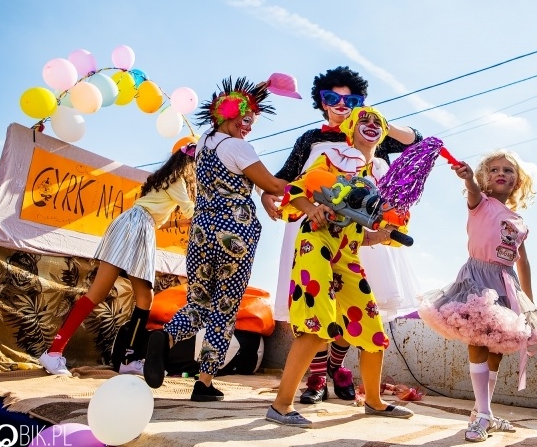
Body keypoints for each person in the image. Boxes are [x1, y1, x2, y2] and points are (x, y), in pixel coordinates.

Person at [262, 65, 422, 404]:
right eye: (331, 98)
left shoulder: (370, 132)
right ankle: (316, 378)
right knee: (319, 305)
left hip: (359, 231)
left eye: (353, 99)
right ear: (321, 102)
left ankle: (338, 367)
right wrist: (267, 196)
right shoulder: (311, 139)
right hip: (315, 224)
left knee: (359, 305)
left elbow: (417, 141)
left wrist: (375, 119)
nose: (341, 104)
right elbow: (285, 179)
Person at [143, 77, 287, 402]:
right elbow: (275, 185)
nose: (249, 127)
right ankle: (204, 382)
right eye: (247, 119)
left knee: (198, 303)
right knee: (224, 310)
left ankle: (163, 339)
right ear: (230, 114)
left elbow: (249, 174)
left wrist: (259, 89)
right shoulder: (238, 146)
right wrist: (308, 190)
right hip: (233, 234)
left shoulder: (205, 143)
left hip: (201, 231)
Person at [418, 150, 537, 443]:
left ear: (517, 181)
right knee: (477, 342)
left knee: (496, 349)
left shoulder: (519, 221)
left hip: (507, 285)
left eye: (508, 170)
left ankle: (483, 412)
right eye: (494, 169)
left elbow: (523, 262)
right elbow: (471, 190)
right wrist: (469, 178)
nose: (501, 173)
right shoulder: (480, 204)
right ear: (485, 177)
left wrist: (529, 305)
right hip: (478, 279)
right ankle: (483, 415)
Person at [38, 144, 197, 377]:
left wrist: (183, 223)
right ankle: (126, 359)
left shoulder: (165, 180)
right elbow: (192, 212)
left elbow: (160, 219)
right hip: (138, 228)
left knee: (106, 293)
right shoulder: (178, 181)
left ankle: (57, 353)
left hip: (132, 224)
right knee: (142, 298)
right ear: (190, 167)